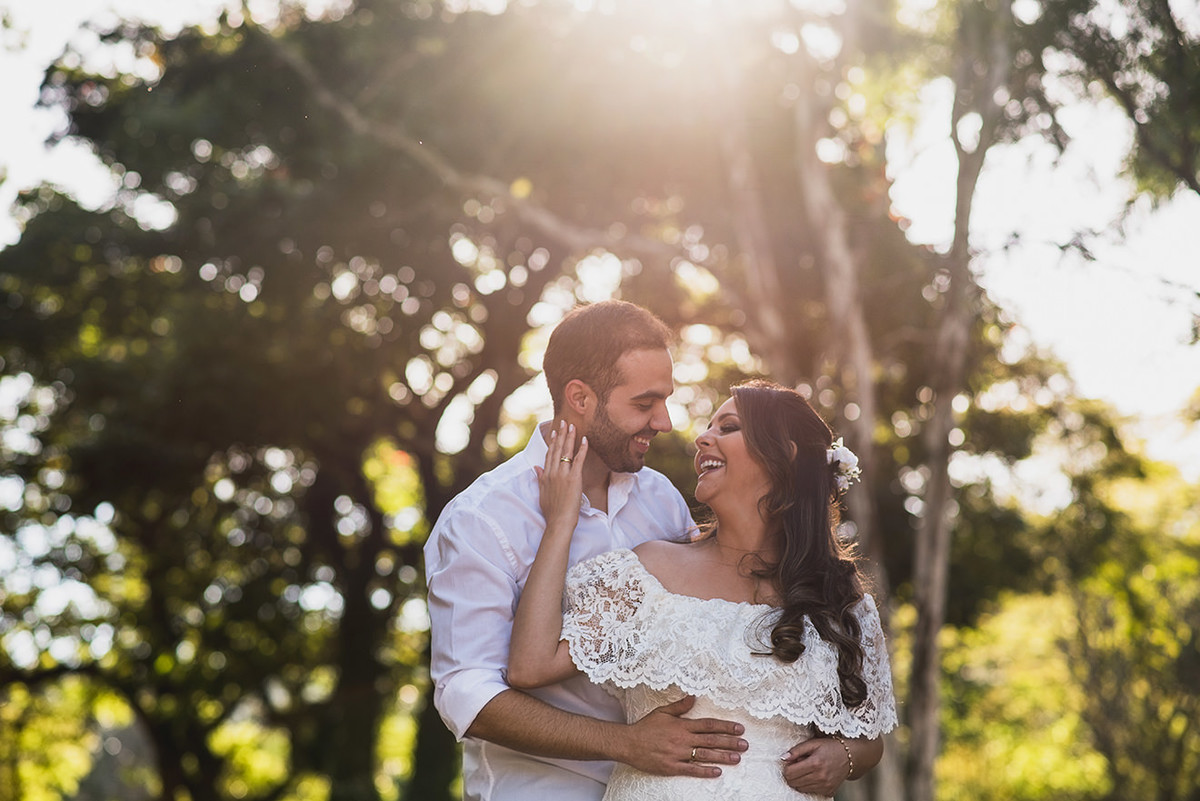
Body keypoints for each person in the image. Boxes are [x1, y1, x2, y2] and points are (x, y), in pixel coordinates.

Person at [507, 379, 898, 800]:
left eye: (727, 427)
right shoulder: (648, 570)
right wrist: (560, 522)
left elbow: (869, 735)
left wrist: (844, 756)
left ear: (783, 455)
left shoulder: (837, 594)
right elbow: (530, 666)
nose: (701, 438)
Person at [423, 300, 749, 801]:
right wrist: (626, 744)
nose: (663, 421)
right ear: (579, 397)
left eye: (665, 400)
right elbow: (468, 694)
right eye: (644, 404)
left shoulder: (661, 498)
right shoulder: (481, 518)